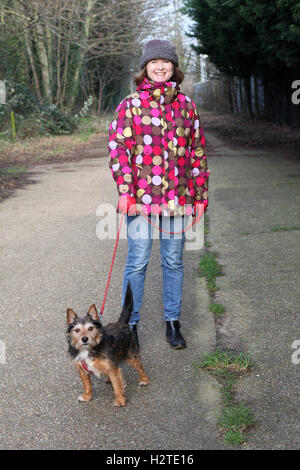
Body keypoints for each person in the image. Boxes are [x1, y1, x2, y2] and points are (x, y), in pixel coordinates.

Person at [108, 39, 209, 349]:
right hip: (140, 200)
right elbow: (118, 149)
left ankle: (172, 322)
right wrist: (125, 190)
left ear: (173, 67)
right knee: (137, 262)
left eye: (166, 62)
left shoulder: (187, 105)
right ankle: (130, 326)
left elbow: (197, 152)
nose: (160, 66)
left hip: (178, 200)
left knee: (174, 262)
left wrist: (201, 194)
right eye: (154, 62)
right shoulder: (130, 104)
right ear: (145, 68)